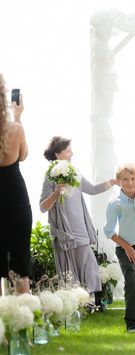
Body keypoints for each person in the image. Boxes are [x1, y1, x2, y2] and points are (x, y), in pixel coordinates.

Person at [40, 136, 116, 307]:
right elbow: (43, 207)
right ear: (58, 154)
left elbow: (92, 189)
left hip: (80, 229)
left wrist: (112, 182)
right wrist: (56, 193)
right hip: (64, 232)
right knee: (68, 270)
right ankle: (75, 306)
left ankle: (90, 302)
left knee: (89, 264)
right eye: (68, 150)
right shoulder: (50, 177)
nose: (72, 153)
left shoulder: (75, 173)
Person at [104, 163, 135, 333]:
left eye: (133, 178)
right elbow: (109, 231)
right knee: (133, 283)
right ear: (118, 181)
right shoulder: (115, 204)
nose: (130, 182)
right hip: (126, 250)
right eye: (125, 179)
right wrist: (127, 247)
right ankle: (132, 324)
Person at [0, 75, 31, 294]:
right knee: (20, 265)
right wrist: (18, 118)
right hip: (15, 202)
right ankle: (23, 322)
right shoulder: (15, 129)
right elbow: (23, 156)